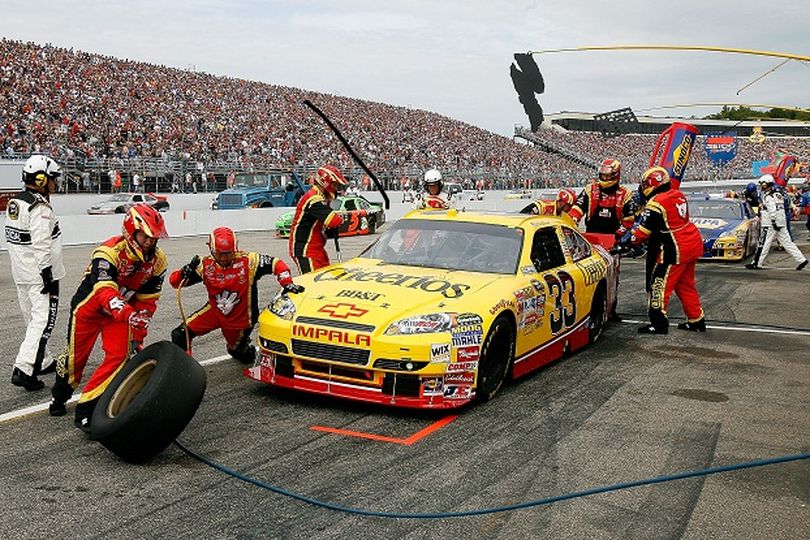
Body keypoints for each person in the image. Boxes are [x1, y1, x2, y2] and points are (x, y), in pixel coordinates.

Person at [49, 204, 168, 433]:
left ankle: (86, 409)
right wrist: (127, 312)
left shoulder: (159, 262)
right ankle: (59, 396)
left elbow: (147, 301)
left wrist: (139, 331)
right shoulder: (108, 251)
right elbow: (104, 291)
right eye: (145, 236)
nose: (149, 243)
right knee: (75, 361)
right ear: (130, 230)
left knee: (119, 356)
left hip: (122, 314)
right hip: (89, 309)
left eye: (153, 238)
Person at [169, 227, 305, 362]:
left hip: (240, 320)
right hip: (214, 312)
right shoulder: (204, 265)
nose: (223, 258)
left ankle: (248, 351)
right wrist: (183, 272)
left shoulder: (250, 261)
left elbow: (276, 263)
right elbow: (175, 283)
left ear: (235, 248)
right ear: (211, 249)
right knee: (180, 335)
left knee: (237, 353)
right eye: (219, 253)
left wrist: (287, 283)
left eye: (228, 253)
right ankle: (186, 372)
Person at [5, 155, 65, 391]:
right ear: (41, 180)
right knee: (43, 321)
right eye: (52, 178)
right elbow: (41, 244)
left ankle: (45, 359)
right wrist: (47, 275)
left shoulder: (16, 203)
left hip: (21, 272)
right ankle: (24, 368)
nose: (54, 183)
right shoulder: (40, 208)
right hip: (39, 274)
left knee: (31, 318)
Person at [623, 167, 705, 334]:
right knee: (686, 285)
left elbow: (642, 233)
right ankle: (696, 320)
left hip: (675, 248)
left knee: (658, 285)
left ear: (653, 184)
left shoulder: (656, 203)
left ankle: (659, 324)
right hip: (692, 242)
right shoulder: (678, 194)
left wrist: (627, 241)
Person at [289, 165, 351, 273]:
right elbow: (333, 221)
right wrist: (342, 220)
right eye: (335, 184)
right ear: (326, 182)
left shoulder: (320, 197)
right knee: (313, 284)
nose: (336, 189)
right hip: (306, 250)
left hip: (317, 248)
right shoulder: (313, 199)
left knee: (326, 280)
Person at [746, 178, 808, 271]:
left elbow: (772, 210)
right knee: (787, 243)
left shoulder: (768, 196)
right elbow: (788, 202)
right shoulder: (779, 194)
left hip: (769, 222)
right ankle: (801, 260)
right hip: (781, 221)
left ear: (765, 184)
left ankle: (756, 263)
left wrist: (773, 221)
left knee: (763, 243)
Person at [569, 159, 635, 238]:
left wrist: (621, 233)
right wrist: (573, 219)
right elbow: (578, 207)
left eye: (607, 176)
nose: (604, 178)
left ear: (616, 175)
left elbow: (629, 219)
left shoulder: (625, 194)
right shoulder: (590, 189)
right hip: (591, 236)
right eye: (603, 175)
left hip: (615, 238)